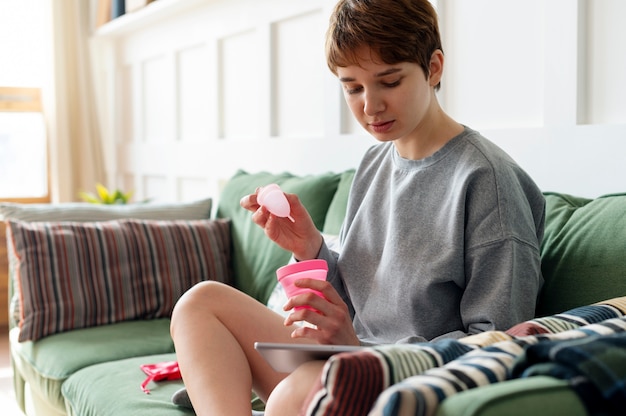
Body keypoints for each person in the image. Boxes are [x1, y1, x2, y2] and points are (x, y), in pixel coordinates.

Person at [169, 0, 545, 414]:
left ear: (434, 67)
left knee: (298, 391)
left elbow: (497, 344)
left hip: (407, 380)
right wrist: (310, 248)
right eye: (353, 87)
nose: (370, 106)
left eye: (389, 81)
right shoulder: (374, 162)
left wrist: (358, 353)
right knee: (199, 304)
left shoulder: (487, 182)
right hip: (344, 359)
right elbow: (355, 303)